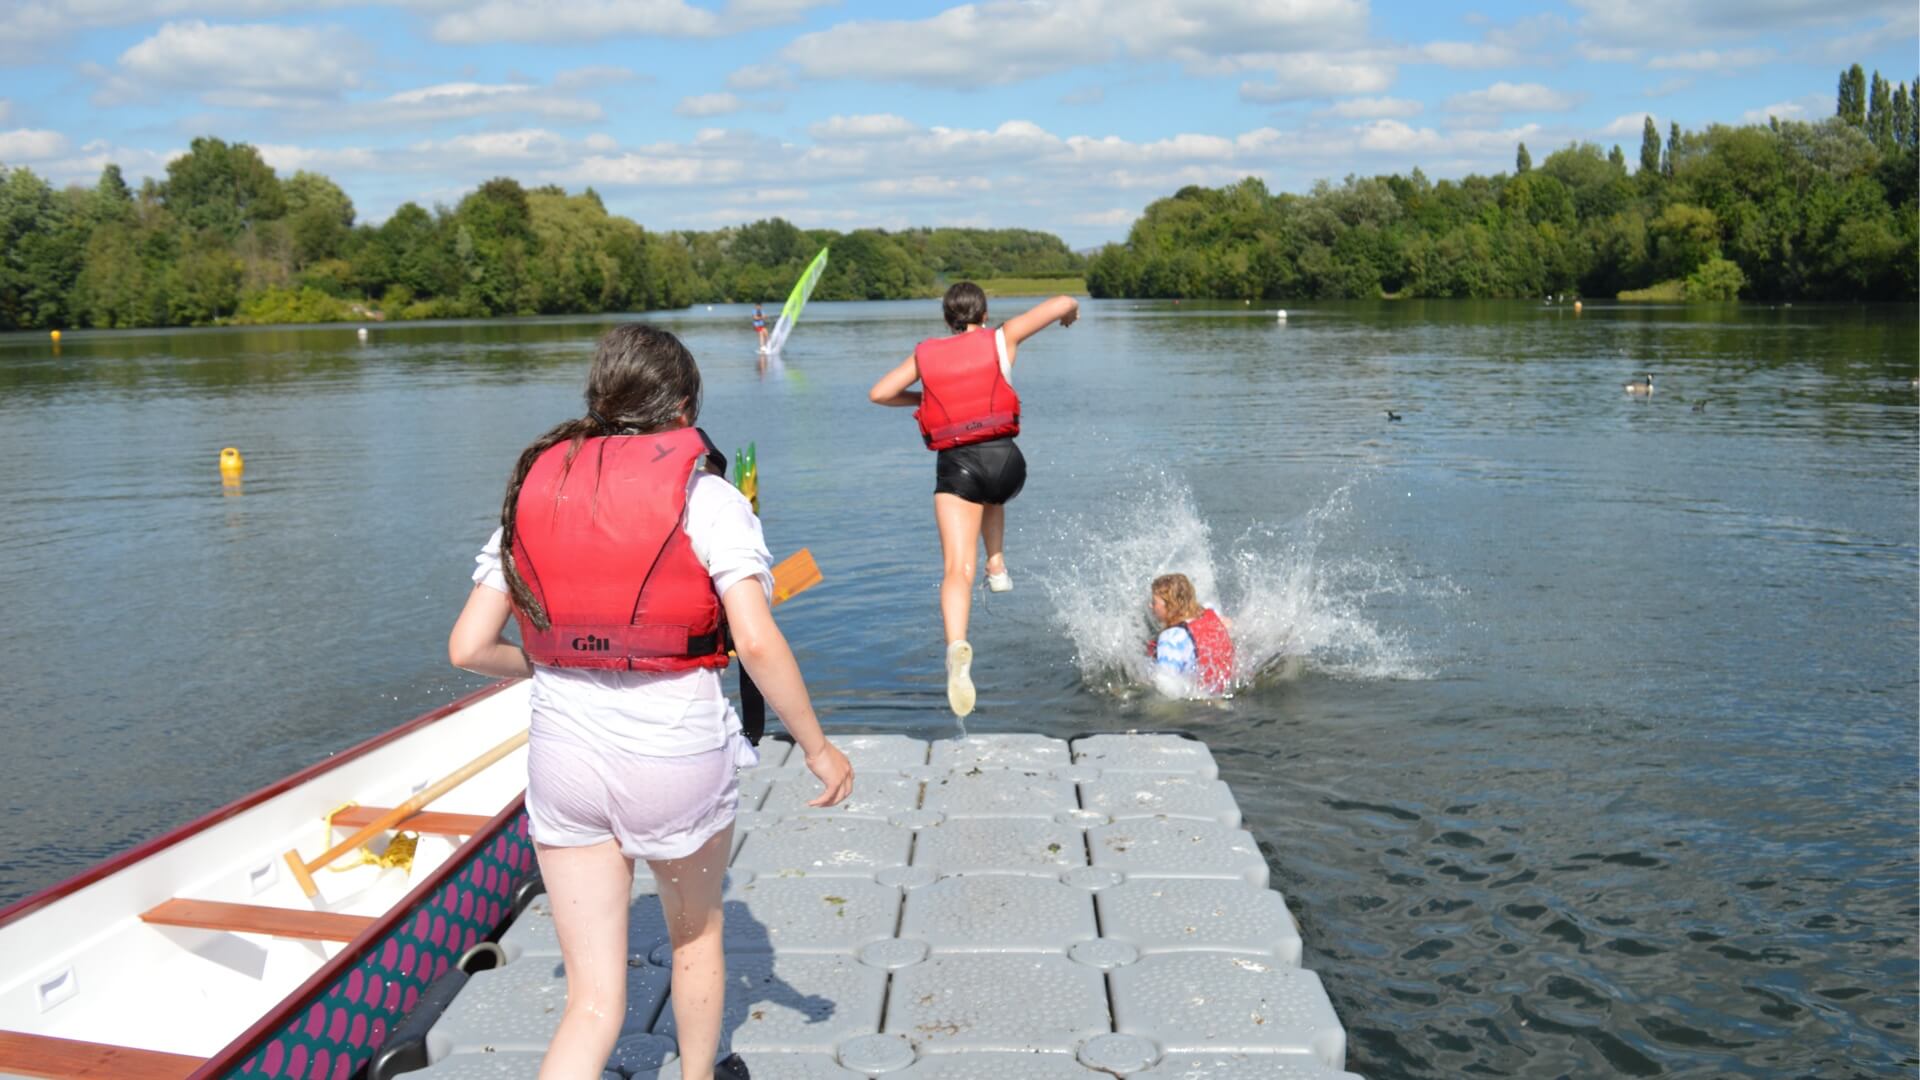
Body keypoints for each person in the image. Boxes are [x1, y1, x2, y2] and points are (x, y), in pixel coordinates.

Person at [448, 323, 853, 1080]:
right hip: (674, 756)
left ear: (598, 401)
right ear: (686, 405)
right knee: (694, 938)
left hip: (563, 761)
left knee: (592, 1004)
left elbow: (468, 646)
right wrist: (820, 749)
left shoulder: (538, 490)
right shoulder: (708, 496)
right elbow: (757, 644)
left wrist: (553, 667)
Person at [867, 282, 1078, 717]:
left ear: (947, 319)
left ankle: (956, 648)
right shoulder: (1003, 338)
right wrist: (1069, 315)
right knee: (992, 496)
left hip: (958, 466)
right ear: (985, 313)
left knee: (955, 570)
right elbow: (1063, 301)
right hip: (1007, 466)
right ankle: (997, 563)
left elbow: (880, 393)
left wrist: (923, 396)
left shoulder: (927, 354)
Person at [1147, 573, 1236, 698]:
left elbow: (1166, 687)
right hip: (1222, 688)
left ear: (1170, 605)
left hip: (1199, 706)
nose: (1150, 606)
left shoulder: (1170, 638)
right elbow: (1229, 624)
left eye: (1154, 602)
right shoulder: (1210, 615)